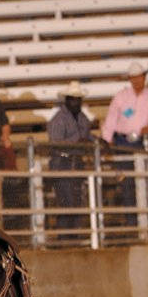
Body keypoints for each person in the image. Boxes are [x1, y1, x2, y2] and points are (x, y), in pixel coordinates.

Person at [101, 62, 148, 219]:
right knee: (126, 182)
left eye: (139, 77)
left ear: (144, 78)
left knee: (141, 181)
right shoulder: (121, 96)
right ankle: (131, 219)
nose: (137, 81)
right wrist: (107, 140)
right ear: (130, 79)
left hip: (139, 141)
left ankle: (141, 219)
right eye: (134, 78)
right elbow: (111, 119)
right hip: (121, 142)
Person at [47, 81, 93, 236]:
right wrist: (77, 143)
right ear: (67, 100)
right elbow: (55, 142)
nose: (76, 102)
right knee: (67, 202)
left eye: (78, 98)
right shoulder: (59, 119)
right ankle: (65, 236)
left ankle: (72, 235)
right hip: (62, 164)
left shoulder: (82, 118)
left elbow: (87, 136)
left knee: (75, 201)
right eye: (73, 98)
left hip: (75, 163)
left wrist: (96, 141)